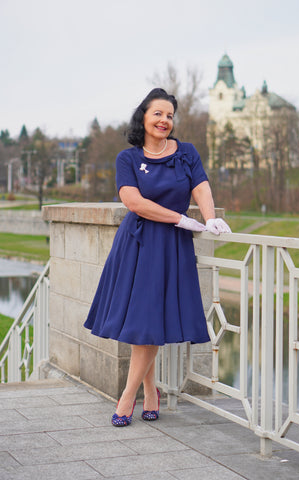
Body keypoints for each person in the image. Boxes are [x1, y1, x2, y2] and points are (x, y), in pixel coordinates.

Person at [84, 88, 231, 427]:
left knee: (149, 321)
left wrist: (209, 218)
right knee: (144, 322)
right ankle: (145, 393)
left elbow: (202, 187)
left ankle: (130, 396)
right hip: (137, 245)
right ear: (144, 117)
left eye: (170, 115)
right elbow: (133, 202)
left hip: (171, 248)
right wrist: (179, 218)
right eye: (158, 114)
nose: (165, 120)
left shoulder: (188, 152)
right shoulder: (127, 158)